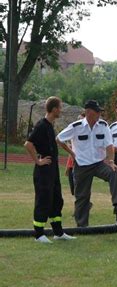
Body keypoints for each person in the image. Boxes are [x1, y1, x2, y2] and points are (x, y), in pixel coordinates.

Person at [57, 100, 117, 227]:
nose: (99, 114)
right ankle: (82, 226)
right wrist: (72, 153)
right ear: (89, 112)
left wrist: (111, 161)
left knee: (114, 172)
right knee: (82, 197)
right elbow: (59, 138)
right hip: (82, 166)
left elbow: (109, 145)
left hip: (98, 164)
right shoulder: (76, 126)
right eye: (97, 112)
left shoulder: (103, 125)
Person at [24, 96, 75, 243]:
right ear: (53, 109)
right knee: (43, 200)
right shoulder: (41, 125)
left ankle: (58, 232)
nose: (61, 110)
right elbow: (28, 144)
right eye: (60, 107)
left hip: (53, 170)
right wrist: (38, 161)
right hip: (44, 171)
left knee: (56, 199)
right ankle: (39, 235)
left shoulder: (50, 125)